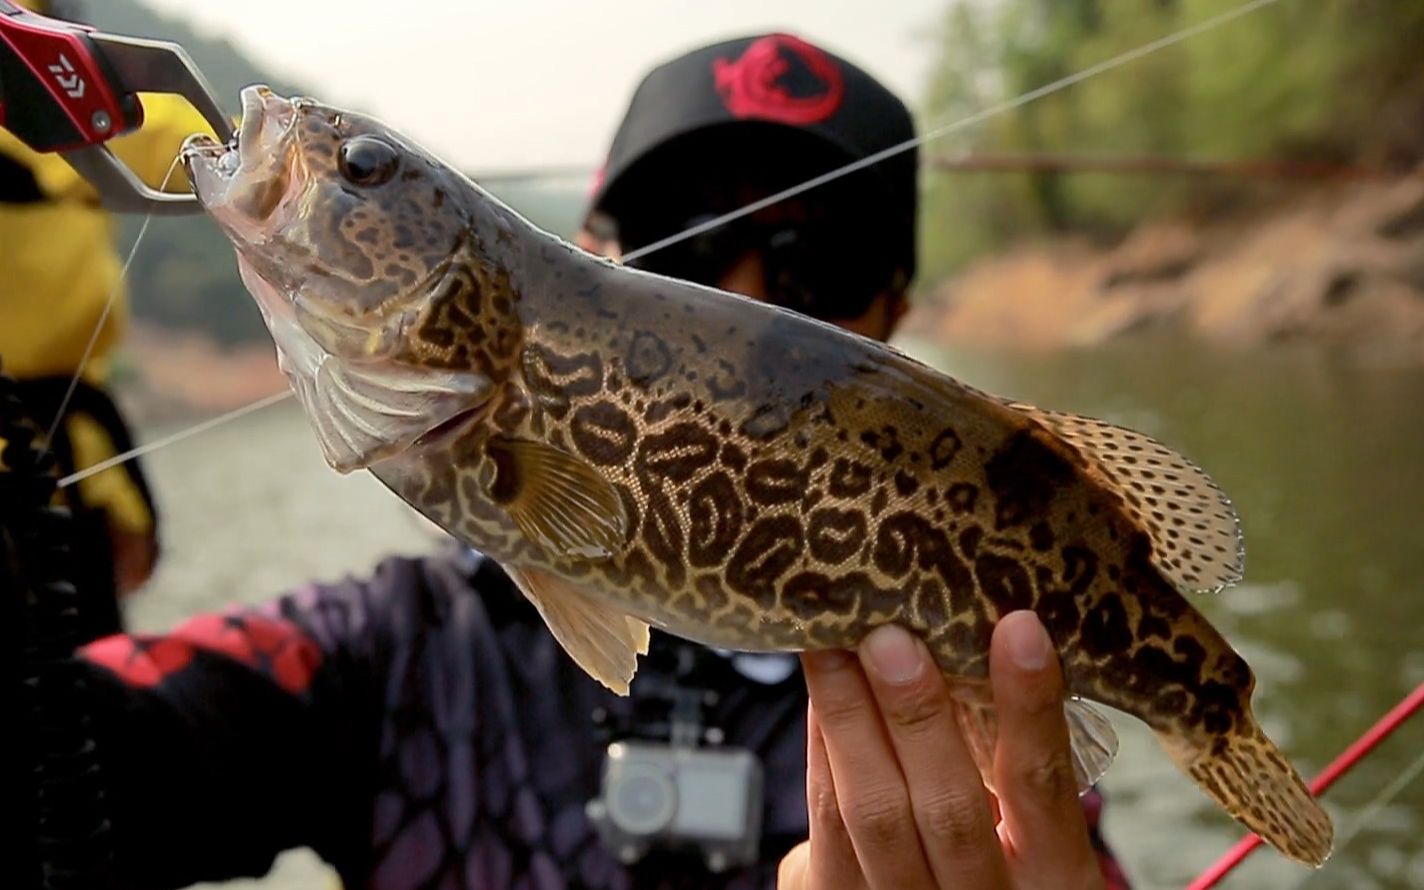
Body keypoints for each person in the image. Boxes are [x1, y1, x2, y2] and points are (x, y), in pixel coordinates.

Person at [23, 33, 1129, 890]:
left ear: (894, 317)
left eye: (814, 258)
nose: (740, 297)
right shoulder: (387, 653)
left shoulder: (995, 721)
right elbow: (85, 771)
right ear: (584, 259)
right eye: (678, 247)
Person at [0, 0, 220, 642]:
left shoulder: (48, 35)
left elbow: (161, 129)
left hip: (67, 478)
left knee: (97, 709)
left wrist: (274, 164)